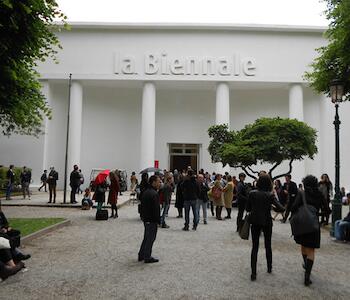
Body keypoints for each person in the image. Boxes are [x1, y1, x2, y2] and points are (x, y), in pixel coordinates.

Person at [291, 175, 328, 286]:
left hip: (303, 224)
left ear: (305, 183)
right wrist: (316, 214)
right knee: (311, 250)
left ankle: (306, 265)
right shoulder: (319, 194)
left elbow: (294, 207)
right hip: (313, 224)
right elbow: (326, 209)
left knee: (303, 246)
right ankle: (307, 276)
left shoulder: (302, 193)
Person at [246, 174, 285, 281]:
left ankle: (253, 273)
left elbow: (248, 208)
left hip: (255, 221)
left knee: (255, 247)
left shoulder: (252, 193)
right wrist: (271, 205)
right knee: (268, 245)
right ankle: (269, 267)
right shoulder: (270, 195)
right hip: (267, 221)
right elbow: (281, 208)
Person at [138, 175, 161, 264]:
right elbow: (156, 209)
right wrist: (158, 220)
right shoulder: (154, 194)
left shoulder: (146, 192)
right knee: (150, 238)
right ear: (153, 182)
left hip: (146, 218)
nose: (160, 183)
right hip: (151, 219)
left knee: (146, 237)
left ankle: (141, 254)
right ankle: (147, 256)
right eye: (158, 181)